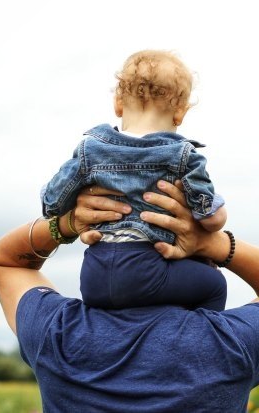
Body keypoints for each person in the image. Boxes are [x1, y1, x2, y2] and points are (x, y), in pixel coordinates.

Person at [0, 181, 259, 412]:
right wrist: (213, 243)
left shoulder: (59, 335)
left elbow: (6, 263)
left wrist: (68, 223)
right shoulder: (231, 343)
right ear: (200, 270)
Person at [41, 50, 228, 311]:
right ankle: (200, 342)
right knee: (214, 283)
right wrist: (217, 214)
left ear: (118, 104)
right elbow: (209, 218)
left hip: (94, 274)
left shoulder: (90, 150)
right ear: (180, 114)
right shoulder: (183, 155)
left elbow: (52, 203)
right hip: (148, 270)